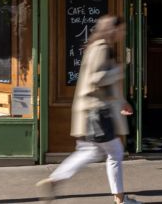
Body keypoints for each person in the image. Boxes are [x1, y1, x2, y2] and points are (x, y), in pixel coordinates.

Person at [37, 15, 135, 204]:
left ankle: (54, 181)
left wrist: (122, 101)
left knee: (89, 151)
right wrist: (119, 71)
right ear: (113, 30)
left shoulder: (95, 46)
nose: (123, 34)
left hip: (91, 110)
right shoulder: (102, 48)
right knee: (114, 152)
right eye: (122, 30)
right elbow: (97, 79)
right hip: (98, 110)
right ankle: (120, 199)